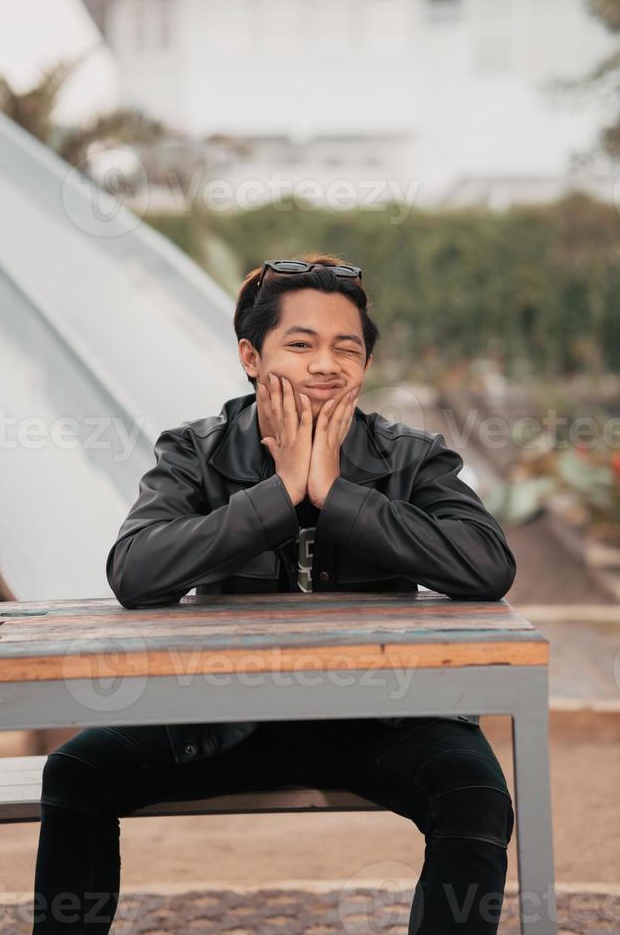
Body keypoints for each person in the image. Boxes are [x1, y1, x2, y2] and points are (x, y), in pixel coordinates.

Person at [32, 254, 517, 933]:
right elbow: (135, 569)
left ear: (365, 366)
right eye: (300, 344)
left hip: (385, 715)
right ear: (251, 357)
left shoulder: (411, 455)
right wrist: (281, 494)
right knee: (78, 770)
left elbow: (487, 564)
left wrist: (335, 496)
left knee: (477, 796)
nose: (326, 363)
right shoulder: (196, 452)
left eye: (346, 347)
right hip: (226, 715)